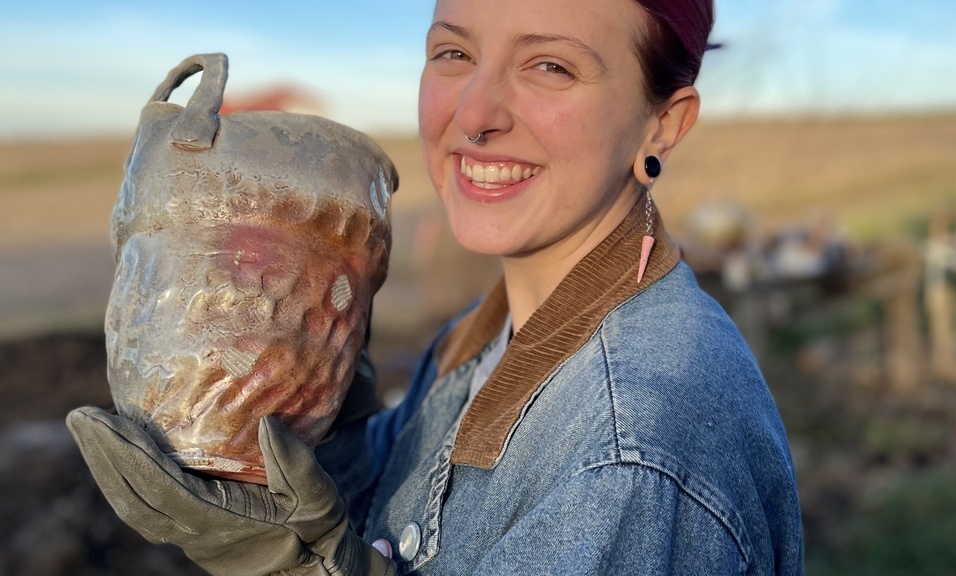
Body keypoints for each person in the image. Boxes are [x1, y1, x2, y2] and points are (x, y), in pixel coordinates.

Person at [67, 0, 804, 574]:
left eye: (550, 67)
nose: (474, 115)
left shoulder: (632, 454)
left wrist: (296, 567)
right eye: (453, 52)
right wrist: (332, 452)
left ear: (662, 126)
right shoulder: (480, 341)